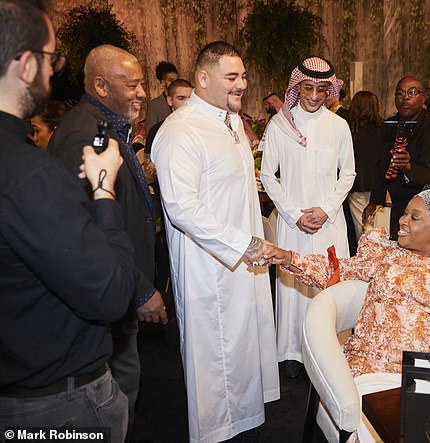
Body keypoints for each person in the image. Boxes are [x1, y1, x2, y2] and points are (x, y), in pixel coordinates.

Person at [0, 0, 135, 439]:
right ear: (25, 65)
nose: (54, 71)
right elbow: (112, 295)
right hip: (57, 404)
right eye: (51, 58)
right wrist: (104, 189)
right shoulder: (31, 175)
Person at [151, 41, 279, 442]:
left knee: (243, 347)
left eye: (244, 76)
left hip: (244, 258)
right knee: (216, 355)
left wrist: (251, 243)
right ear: (203, 78)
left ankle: (243, 420)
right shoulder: (180, 131)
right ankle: (216, 431)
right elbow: (182, 207)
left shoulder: (232, 123)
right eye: (232, 77)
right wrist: (245, 244)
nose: (242, 84)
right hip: (209, 265)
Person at [48, 44, 166, 436]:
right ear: (100, 85)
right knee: (116, 390)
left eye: (142, 84)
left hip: (120, 282)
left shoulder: (105, 126)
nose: (141, 93)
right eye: (131, 85)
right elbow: (89, 230)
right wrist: (140, 289)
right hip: (113, 287)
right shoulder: (83, 136)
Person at [266, 184, 430, 376]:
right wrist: (289, 258)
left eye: (414, 217)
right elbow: (337, 270)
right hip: (369, 366)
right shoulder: (384, 252)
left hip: (426, 374)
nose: (402, 220)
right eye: (405, 213)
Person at [260, 56, 356, 378]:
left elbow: (348, 173)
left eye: (320, 89)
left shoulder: (339, 126)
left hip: (329, 222)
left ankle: (331, 350)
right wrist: (293, 214)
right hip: (294, 223)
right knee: (293, 286)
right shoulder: (279, 126)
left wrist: (326, 209)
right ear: (297, 87)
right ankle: (292, 352)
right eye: (307, 88)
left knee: (329, 285)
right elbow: (268, 175)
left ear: (329, 90)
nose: (314, 96)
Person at [363, 76, 430, 240]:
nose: (406, 97)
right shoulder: (389, 126)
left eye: (412, 92)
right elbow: (381, 165)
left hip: (427, 208)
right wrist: (375, 201)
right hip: (398, 205)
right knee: (398, 247)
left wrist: (408, 167)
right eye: (401, 93)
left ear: (423, 97)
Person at [346, 90, 383, 241]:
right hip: (380, 185)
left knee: (362, 229)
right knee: (380, 227)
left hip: (357, 186)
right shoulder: (383, 128)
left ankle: (366, 252)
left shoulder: (350, 130)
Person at [145, 78, 193, 155]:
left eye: (190, 99)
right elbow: (148, 160)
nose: (186, 103)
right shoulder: (157, 130)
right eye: (181, 98)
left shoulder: (201, 127)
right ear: (170, 101)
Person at [145, 61, 178, 130]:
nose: (175, 83)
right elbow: (150, 132)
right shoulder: (154, 105)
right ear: (162, 83)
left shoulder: (184, 101)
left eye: (176, 80)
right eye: (171, 80)